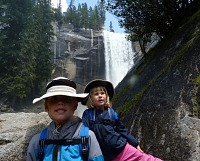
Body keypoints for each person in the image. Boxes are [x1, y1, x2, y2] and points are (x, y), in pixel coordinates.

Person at [81, 79, 163, 161]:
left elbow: (122, 129)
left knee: (146, 159)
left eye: (102, 93)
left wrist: (135, 143)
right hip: (105, 155)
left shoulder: (111, 113)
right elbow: (84, 131)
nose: (100, 96)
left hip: (121, 148)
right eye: (96, 94)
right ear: (91, 98)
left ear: (106, 96)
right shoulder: (88, 114)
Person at [26, 77, 104, 161]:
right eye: (54, 99)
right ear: (46, 106)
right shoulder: (37, 142)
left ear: (75, 105)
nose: (60, 103)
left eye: (66, 98)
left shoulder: (88, 137)